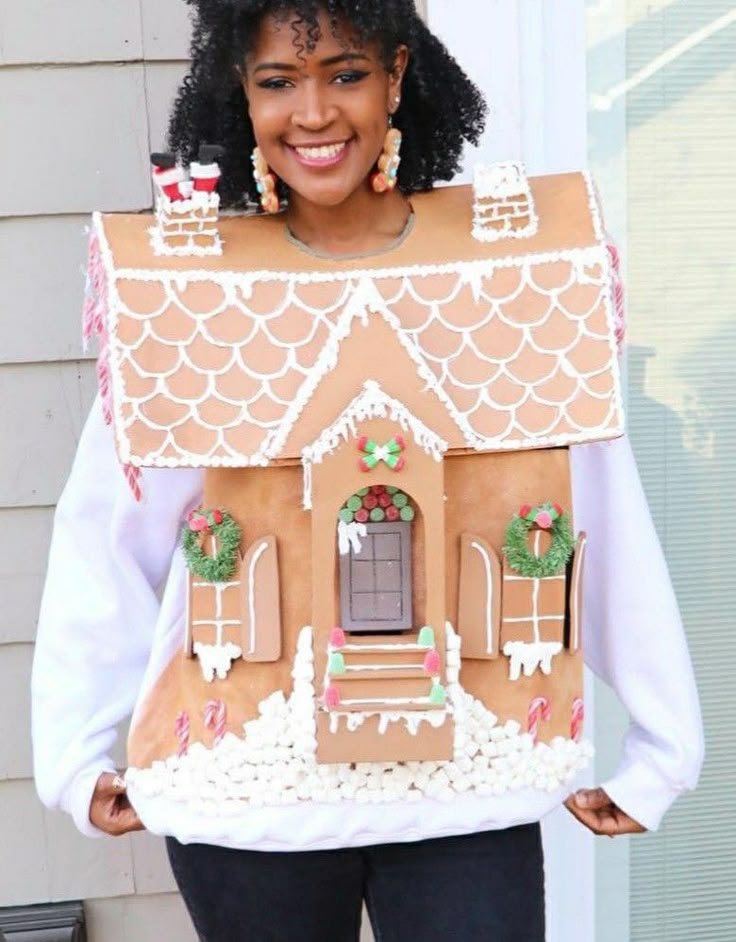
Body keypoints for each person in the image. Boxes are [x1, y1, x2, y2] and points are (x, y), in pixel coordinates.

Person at [32, 2, 703, 940]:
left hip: (468, 794)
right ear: (241, 94)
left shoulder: (513, 270)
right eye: (277, 81)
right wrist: (73, 747)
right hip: (248, 802)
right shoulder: (186, 290)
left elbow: (597, 505)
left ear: (396, 75)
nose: (313, 114)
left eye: (344, 74)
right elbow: (110, 528)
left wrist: (664, 747)